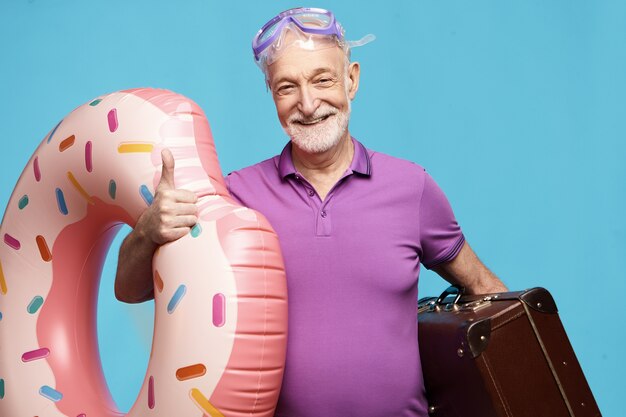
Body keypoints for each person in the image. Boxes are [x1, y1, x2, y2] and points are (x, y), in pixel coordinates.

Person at [115, 7, 508, 417]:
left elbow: (484, 287)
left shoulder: (412, 188)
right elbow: (130, 288)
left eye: (323, 79)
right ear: (271, 93)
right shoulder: (233, 195)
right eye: (287, 87)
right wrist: (148, 231)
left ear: (352, 79)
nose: (307, 103)